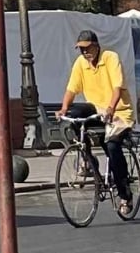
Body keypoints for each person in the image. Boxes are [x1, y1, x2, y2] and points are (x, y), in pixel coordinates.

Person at [58, 29, 135, 216]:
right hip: (95, 109)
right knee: (75, 115)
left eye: (87, 48)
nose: (85, 53)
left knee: (112, 146)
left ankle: (124, 193)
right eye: (81, 50)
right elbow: (71, 89)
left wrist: (110, 109)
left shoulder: (110, 58)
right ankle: (89, 161)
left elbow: (117, 87)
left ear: (96, 45)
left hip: (118, 112)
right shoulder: (80, 63)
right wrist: (63, 108)